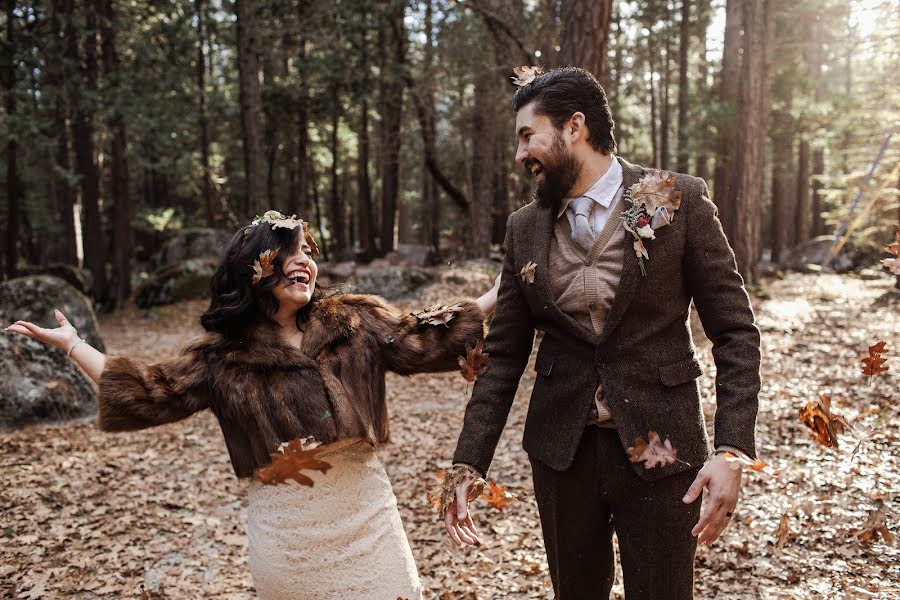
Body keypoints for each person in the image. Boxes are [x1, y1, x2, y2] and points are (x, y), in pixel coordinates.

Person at [6, 211, 499, 600]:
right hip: (289, 540)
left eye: (307, 251)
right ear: (255, 266)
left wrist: (502, 291)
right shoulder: (224, 358)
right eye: (288, 252)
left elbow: (424, 336)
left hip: (368, 522)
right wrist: (73, 345)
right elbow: (151, 390)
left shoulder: (354, 320)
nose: (303, 260)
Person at [439, 67, 761, 599]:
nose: (521, 155)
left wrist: (732, 451)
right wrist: (468, 461)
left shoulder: (677, 200)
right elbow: (502, 355)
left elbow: (735, 331)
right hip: (561, 452)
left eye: (528, 135)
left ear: (574, 127)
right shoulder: (524, 228)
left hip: (664, 447)